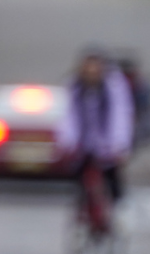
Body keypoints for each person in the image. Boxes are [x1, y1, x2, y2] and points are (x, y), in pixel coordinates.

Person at [57, 45, 135, 217]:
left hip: (107, 143)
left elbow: (120, 116)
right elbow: (69, 117)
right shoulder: (75, 87)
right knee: (80, 177)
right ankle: (84, 211)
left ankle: (116, 212)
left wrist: (119, 144)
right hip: (84, 143)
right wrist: (67, 141)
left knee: (112, 178)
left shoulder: (114, 87)